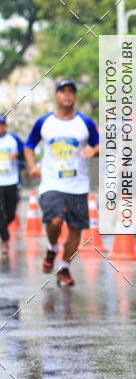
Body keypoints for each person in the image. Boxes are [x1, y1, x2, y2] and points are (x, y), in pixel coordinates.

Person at [24, 79, 100, 288]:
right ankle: (51, 247)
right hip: (51, 182)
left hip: (78, 184)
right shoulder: (44, 122)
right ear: (56, 96)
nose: (67, 95)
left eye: (71, 92)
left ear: (75, 97)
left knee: (76, 229)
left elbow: (100, 145)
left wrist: (93, 150)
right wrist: (31, 167)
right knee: (55, 221)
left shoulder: (85, 122)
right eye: (62, 91)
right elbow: (29, 145)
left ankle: (64, 268)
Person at [0, 115, 24, 261]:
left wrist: (19, 155)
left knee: (11, 213)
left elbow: (26, 152)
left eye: (2, 125)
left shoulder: (13, 139)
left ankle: (3, 228)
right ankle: (5, 240)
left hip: (11, 182)